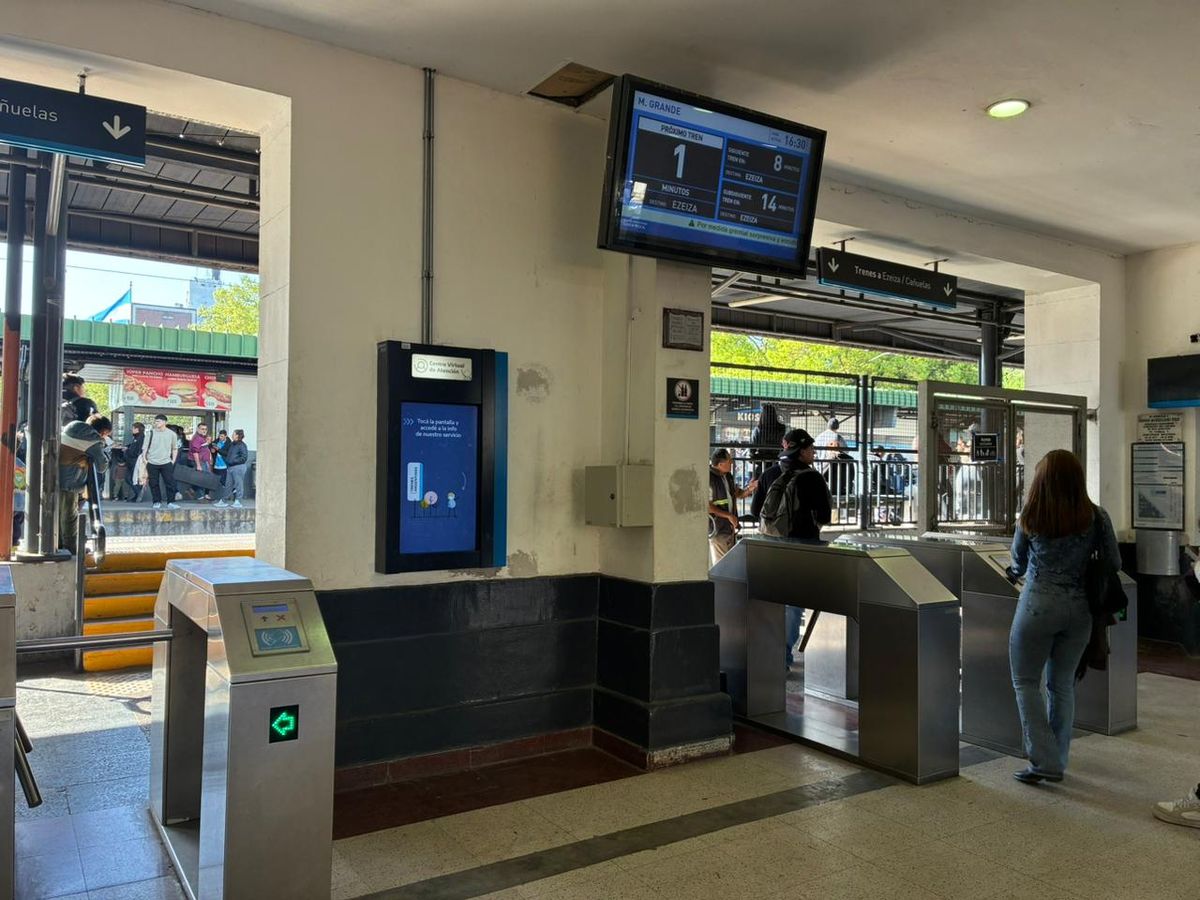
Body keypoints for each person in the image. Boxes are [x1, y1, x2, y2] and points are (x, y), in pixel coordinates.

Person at [1007, 449, 1120, 785]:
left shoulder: (1032, 514)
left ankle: (1045, 760)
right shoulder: (1096, 516)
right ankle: (1057, 758)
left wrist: (1018, 570)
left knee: (1026, 682)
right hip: (1080, 610)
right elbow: (1114, 562)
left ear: (1042, 480)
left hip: (1037, 606)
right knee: (1062, 685)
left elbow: (1018, 563)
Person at [752, 428, 832, 666]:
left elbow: (756, 511)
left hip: (770, 545)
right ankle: (783, 657)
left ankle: (767, 653)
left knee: (772, 599)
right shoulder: (813, 478)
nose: (814, 453)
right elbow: (825, 516)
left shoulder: (769, 473)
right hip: (802, 546)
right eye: (811, 449)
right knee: (793, 603)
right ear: (802, 451)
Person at [58, 414, 112, 553]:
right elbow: (102, 466)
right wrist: (103, 447)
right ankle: (72, 548)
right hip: (70, 481)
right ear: (104, 431)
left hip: (52, 477)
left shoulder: (71, 427)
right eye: (107, 434)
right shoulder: (93, 440)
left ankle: (58, 545)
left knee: (56, 515)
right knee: (69, 517)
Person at [707, 448, 758, 566]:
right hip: (718, 529)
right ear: (720, 464)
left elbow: (738, 493)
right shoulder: (709, 478)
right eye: (729, 461)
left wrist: (749, 489)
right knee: (721, 566)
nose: (732, 463)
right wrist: (729, 516)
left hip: (729, 528)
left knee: (729, 564)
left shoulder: (728, 476)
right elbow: (707, 506)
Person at [142, 415, 181, 510]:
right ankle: (156, 501)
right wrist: (144, 459)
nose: (156, 423)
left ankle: (171, 502)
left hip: (166, 462)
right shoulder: (150, 433)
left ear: (164, 422)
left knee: (170, 482)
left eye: (158, 421)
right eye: (155, 421)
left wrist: (173, 460)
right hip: (152, 462)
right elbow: (145, 447)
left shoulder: (172, 434)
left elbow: (175, 448)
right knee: (153, 483)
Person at [215, 429, 249, 508]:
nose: (232, 435)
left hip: (238, 467)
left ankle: (238, 501)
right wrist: (219, 450)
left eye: (233, 434)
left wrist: (233, 461)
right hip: (230, 467)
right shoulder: (232, 444)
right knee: (228, 484)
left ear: (237, 435)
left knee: (238, 484)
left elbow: (244, 457)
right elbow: (227, 454)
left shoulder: (242, 445)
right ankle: (223, 500)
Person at [749, 405, 786, 474]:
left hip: (762, 462)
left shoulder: (758, 429)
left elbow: (752, 448)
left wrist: (752, 455)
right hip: (776, 460)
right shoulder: (782, 429)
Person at [188, 422, 214, 501]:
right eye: (202, 429)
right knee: (201, 479)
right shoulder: (197, 438)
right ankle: (200, 496)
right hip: (200, 461)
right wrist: (198, 465)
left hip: (204, 461)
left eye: (205, 429)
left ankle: (195, 491)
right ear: (198, 429)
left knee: (205, 478)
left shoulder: (202, 438)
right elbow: (195, 452)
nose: (204, 430)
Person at [124, 422, 146, 502]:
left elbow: (136, 451)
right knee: (129, 478)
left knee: (131, 478)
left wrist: (127, 450)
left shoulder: (141, 438)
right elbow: (133, 446)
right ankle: (137, 494)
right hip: (132, 461)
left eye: (133, 428)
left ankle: (138, 493)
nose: (132, 430)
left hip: (135, 461)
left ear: (137, 429)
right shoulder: (136, 438)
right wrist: (127, 447)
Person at [210, 428, 230, 497]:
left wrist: (218, 449)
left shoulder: (229, 443)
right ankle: (214, 496)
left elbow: (227, 454)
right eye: (219, 436)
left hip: (224, 465)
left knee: (224, 481)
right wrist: (212, 450)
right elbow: (211, 445)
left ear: (225, 436)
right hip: (216, 465)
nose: (220, 438)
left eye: (222, 436)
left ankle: (227, 494)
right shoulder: (217, 441)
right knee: (215, 480)